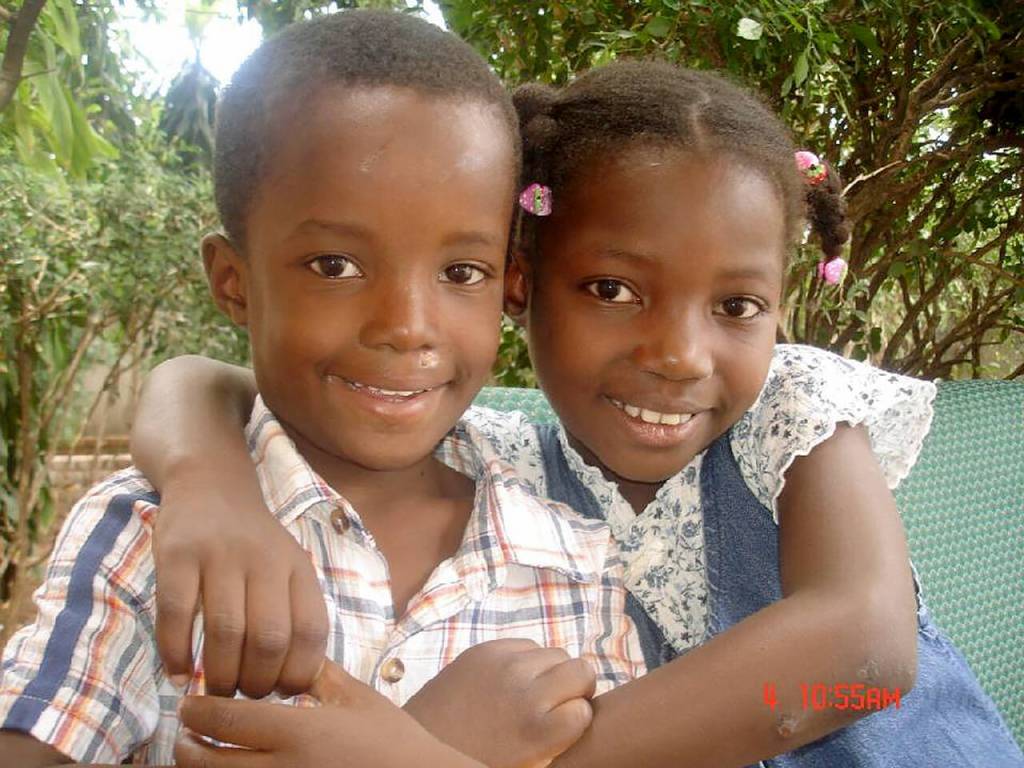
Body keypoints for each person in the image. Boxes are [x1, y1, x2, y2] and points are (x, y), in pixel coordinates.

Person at [129, 57, 1024, 767]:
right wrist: (208, 481)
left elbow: (864, 658)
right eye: (612, 288)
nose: (679, 353)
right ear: (521, 287)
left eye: (738, 307)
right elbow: (208, 380)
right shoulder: (504, 470)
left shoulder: (790, 414)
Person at [0, 12, 647, 767]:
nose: (407, 328)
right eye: (336, 266)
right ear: (233, 283)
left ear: (507, 284)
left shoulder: (571, 562)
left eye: (459, 272)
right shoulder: (147, 537)